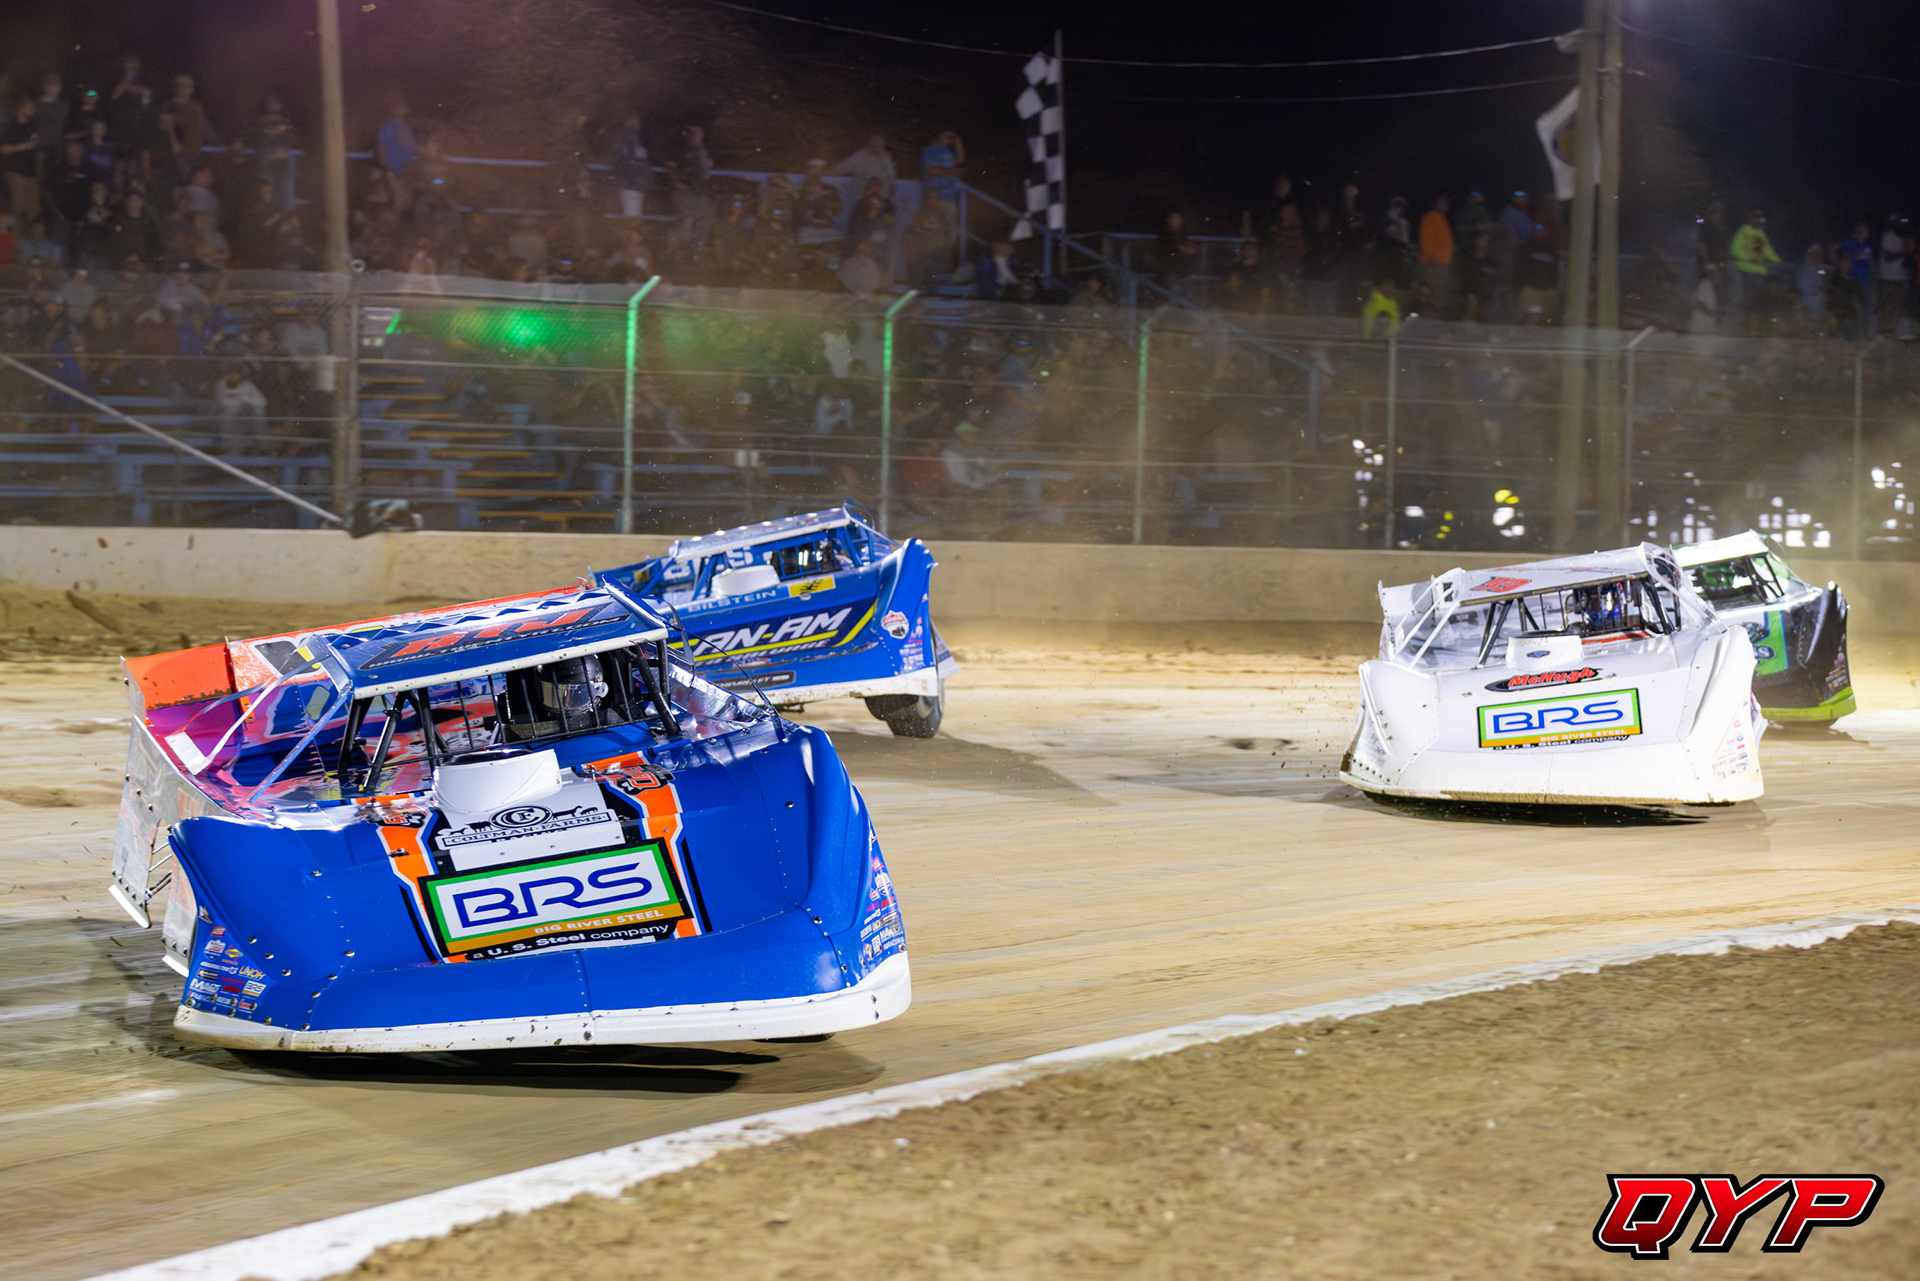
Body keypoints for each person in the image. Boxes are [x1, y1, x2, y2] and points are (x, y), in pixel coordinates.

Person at [1726, 209, 1779, 334]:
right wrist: (1750, 259)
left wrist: (1776, 259)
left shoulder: (1761, 233)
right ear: (1750, 219)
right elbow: (1735, 250)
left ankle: (1756, 328)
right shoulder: (1743, 232)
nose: (1757, 220)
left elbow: (1767, 250)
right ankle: (1743, 327)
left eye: (1759, 218)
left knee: (1757, 302)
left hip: (1759, 274)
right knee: (1747, 301)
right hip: (1746, 272)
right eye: (1755, 218)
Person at [919, 130, 964, 261]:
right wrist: (952, 171)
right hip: (935, 197)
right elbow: (932, 171)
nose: (950, 139)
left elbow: (961, 163)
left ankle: (945, 263)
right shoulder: (929, 150)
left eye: (953, 137)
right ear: (939, 136)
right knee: (932, 230)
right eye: (948, 136)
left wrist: (959, 146)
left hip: (951, 197)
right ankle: (927, 261)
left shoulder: (950, 151)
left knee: (950, 232)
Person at [248, 95, 297, 212]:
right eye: (271, 102)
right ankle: (267, 216)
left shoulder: (286, 122)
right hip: (266, 163)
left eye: (276, 102)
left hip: (282, 163)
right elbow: (259, 140)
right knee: (267, 192)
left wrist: (273, 134)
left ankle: (285, 219)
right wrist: (277, 133)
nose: (274, 106)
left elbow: (291, 139)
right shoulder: (259, 123)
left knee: (285, 195)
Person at [211, 364, 268, 454]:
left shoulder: (248, 385)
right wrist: (244, 399)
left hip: (246, 421)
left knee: (255, 410)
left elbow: (262, 401)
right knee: (238, 410)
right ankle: (232, 449)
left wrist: (244, 399)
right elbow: (223, 404)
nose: (234, 376)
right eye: (231, 373)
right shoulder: (220, 385)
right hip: (226, 421)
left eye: (236, 373)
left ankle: (262, 446)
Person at [2, 98, 39, 227]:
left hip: (31, 172)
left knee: (33, 210)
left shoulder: (33, 126)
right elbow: (3, 148)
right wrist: (23, 146)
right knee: (17, 207)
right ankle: (13, 239)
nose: (32, 109)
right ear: (20, 108)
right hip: (15, 171)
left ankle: (32, 241)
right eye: (28, 106)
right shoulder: (10, 126)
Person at [609, 113, 652, 220]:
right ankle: (631, 235)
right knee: (632, 216)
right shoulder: (627, 138)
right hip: (632, 181)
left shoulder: (634, 138)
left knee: (632, 214)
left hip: (634, 182)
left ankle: (632, 234)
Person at [165, 75, 208, 183]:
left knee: (191, 183)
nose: (185, 90)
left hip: (193, 152)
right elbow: (167, 123)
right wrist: (174, 143)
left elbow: (202, 125)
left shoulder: (195, 106)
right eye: (182, 87)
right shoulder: (171, 105)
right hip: (183, 153)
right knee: (183, 184)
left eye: (188, 87)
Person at [1417, 193, 1454, 310]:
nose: (1446, 205)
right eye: (1443, 202)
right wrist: (1431, 256)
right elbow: (1425, 238)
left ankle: (1435, 321)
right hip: (1434, 263)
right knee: (1431, 296)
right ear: (1437, 203)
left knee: (1439, 295)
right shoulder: (1430, 216)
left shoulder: (1442, 218)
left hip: (1442, 264)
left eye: (1446, 203)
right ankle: (1428, 322)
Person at [375, 98, 417, 183]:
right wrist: (387, 170)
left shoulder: (407, 128)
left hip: (408, 173)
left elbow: (412, 147)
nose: (402, 108)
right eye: (399, 106)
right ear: (393, 110)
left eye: (403, 106)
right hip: (393, 174)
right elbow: (380, 150)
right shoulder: (387, 127)